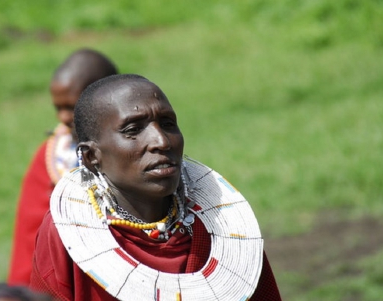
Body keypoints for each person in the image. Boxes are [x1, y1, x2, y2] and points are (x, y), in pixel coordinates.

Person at [29, 74, 282, 300]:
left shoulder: (226, 228)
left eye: (168, 123)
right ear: (91, 157)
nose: (161, 141)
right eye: (133, 130)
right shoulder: (68, 233)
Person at [8, 48, 118, 286]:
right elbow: (30, 240)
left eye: (71, 106)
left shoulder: (136, 150)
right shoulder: (53, 160)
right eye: (58, 108)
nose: (63, 117)